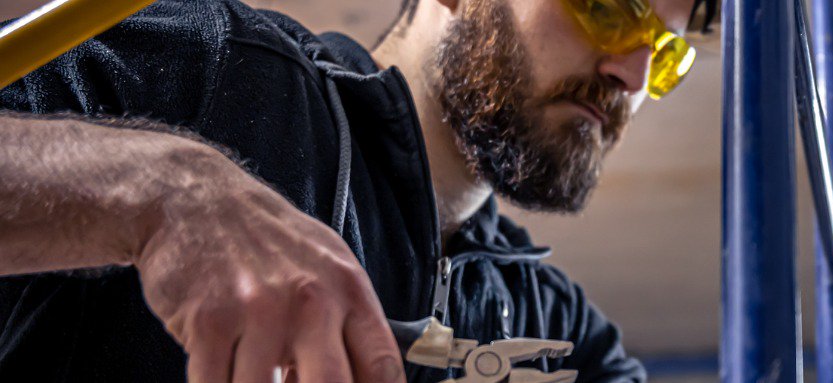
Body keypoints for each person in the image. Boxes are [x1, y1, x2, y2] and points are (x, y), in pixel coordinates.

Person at [0, 0, 708, 380]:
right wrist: (158, 193)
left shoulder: (559, 334)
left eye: (667, 55)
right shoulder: (219, 74)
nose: (634, 77)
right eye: (610, 9)